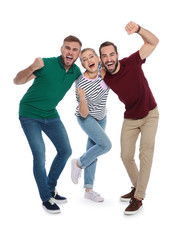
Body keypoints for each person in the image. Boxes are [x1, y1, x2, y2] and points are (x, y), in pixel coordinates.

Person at [13, 36, 82, 214]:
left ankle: (51, 188)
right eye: (68, 48)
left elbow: (90, 81)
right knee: (40, 154)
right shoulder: (46, 64)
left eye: (75, 50)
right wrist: (31, 67)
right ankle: (45, 198)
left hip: (50, 114)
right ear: (61, 49)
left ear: (78, 54)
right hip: (29, 113)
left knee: (65, 150)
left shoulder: (76, 72)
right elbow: (17, 81)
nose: (70, 52)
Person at [99, 21, 159, 214]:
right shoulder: (104, 76)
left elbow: (154, 42)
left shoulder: (132, 62)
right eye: (104, 56)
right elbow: (88, 74)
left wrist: (139, 30)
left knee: (145, 152)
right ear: (101, 59)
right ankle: (136, 186)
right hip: (130, 118)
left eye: (111, 54)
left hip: (150, 113)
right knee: (125, 155)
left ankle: (139, 197)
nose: (109, 59)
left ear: (117, 55)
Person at [71, 48, 112, 202]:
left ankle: (89, 190)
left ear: (97, 58)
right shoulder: (81, 83)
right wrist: (82, 99)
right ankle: (78, 163)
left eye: (91, 57)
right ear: (82, 64)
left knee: (93, 151)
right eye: (85, 59)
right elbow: (83, 113)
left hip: (102, 117)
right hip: (86, 118)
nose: (89, 61)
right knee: (106, 145)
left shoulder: (103, 68)